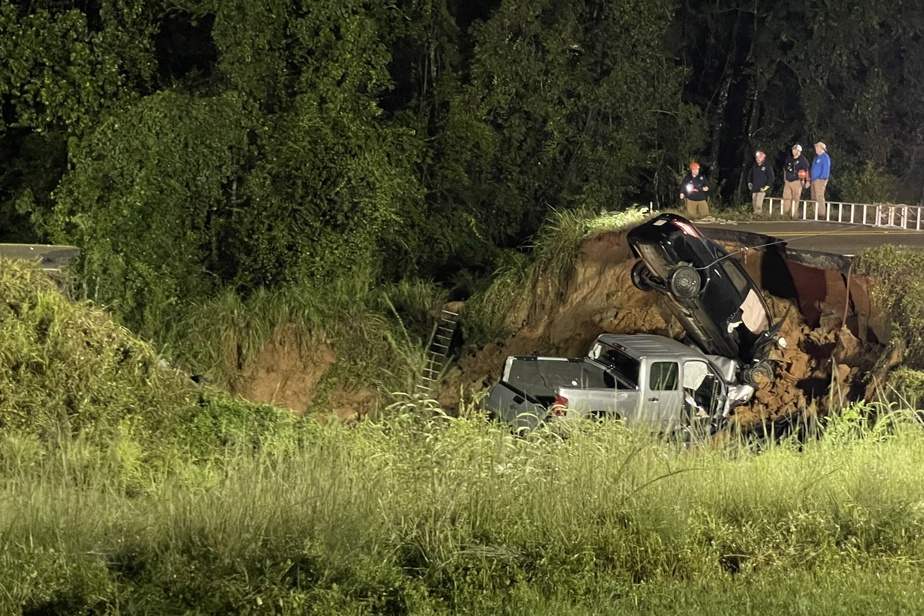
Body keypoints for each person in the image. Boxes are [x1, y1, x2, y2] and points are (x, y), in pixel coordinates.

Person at [782, 144, 810, 218]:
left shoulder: (803, 160)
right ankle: (785, 214)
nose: (794, 151)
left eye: (795, 150)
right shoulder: (789, 159)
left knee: (795, 198)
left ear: (799, 151)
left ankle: (793, 215)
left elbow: (806, 171)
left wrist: (807, 180)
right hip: (788, 182)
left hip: (797, 182)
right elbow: (785, 170)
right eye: (793, 150)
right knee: (786, 198)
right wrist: (785, 179)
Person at [747, 150, 775, 215]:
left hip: (762, 189)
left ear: (763, 158)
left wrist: (767, 186)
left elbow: (771, 177)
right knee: (754, 203)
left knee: (758, 204)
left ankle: (759, 215)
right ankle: (755, 215)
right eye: (757, 157)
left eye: (759, 157)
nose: (757, 159)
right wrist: (749, 183)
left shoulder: (767, 166)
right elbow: (750, 175)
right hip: (754, 188)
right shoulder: (754, 166)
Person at [811, 142, 831, 218]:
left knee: (819, 196)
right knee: (813, 197)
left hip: (820, 180)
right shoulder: (816, 157)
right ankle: (815, 212)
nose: (816, 148)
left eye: (817, 147)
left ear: (822, 148)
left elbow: (826, 168)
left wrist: (822, 177)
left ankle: (821, 213)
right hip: (814, 179)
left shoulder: (825, 157)